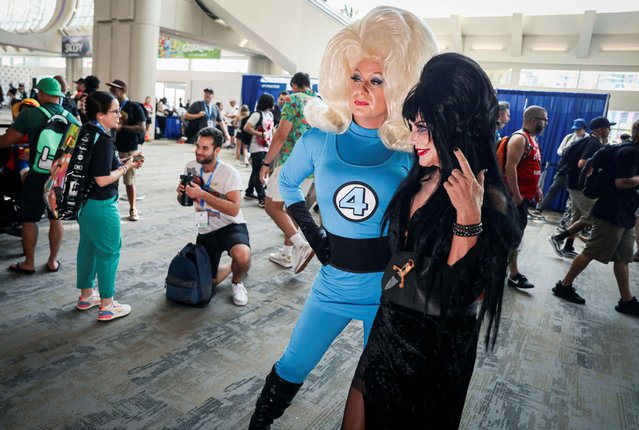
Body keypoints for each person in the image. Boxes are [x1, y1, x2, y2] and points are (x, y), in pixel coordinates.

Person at [248, 7, 438, 428]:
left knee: (374, 387)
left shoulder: (411, 150)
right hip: (332, 285)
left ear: (400, 85)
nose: (362, 89)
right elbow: (287, 186)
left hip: (388, 292)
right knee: (292, 366)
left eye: (376, 80)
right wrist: (315, 236)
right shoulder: (318, 139)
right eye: (356, 77)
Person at [341, 51, 519, 430]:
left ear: (455, 128)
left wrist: (467, 221)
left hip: (435, 354)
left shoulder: (492, 204)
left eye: (423, 127)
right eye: (413, 126)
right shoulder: (417, 178)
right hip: (388, 330)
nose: (414, 137)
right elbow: (396, 259)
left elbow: (453, 296)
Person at [552, 118, 639, 316]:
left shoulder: (628, 149)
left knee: (623, 258)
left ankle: (627, 300)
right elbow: (622, 182)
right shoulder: (629, 152)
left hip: (625, 212)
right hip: (611, 212)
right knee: (591, 251)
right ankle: (563, 286)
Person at [73, 91, 143, 320]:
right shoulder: (103, 139)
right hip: (102, 205)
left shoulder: (87, 132)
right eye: (114, 111)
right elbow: (102, 178)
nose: (119, 116)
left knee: (88, 249)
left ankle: (86, 296)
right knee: (109, 253)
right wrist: (125, 169)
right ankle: (107, 304)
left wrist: (125, 163)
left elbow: (96, 167)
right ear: (101, 114)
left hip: (85, 204)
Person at [0, 77, 80, 274]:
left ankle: (29, 262)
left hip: (37, 174)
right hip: (58, 177)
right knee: (55, 218)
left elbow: (6, 142)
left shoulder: (30, 115)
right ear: (58, 96)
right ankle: (53, 261)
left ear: (41, 94)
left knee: (29, 219)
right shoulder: (71, 118)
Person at [176, 127, 251, 306]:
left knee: (241, 255)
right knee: (209, 282)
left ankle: (237, 282)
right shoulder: (191, 167)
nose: (199, 152)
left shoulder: (229, 172)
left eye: (205, 148)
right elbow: (182, 200)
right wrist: (181, 194)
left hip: (231, 225)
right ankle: (234, 268)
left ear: (217, 150)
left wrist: (202, 194)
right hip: (206, 229)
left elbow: (234, 209)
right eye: (198, 146)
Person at [259, 72, 318, 273]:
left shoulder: (293, 101)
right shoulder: (319, 102)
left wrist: (266, 162)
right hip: (311, 168)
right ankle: (286, 253)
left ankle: (302, 245)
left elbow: (281, 134)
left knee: (272, 206)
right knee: (293, 208)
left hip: (290, 163)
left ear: (293, 85)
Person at [548, 116, 614, 259]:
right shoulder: (593, 143)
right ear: (600, 129)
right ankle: (558, 238)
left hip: (574, 183)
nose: (610, 131)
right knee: (590, 216)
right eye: (608, 128)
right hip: (580, 186)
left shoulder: (590, 141)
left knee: (577, 217)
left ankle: (568, 246)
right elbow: (582, 163)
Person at [503, 105, 546, 289]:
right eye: (544, 120)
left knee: (515, 237)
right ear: (534, 120)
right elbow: (510, 167)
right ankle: (509, 273)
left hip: (525, 197)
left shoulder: (533, 140)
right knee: (510, 237)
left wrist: (536, 188)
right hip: (515, 199)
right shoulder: (520, 139)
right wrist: (516, 193)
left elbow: (530, 168)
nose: (546, 124)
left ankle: (512, 273)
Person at [107, 79, 146, 221]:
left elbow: (141, 127)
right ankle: (112, 208)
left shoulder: (134, 107)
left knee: (129, 181)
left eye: (115, 90)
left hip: (129, 149)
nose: (112, 92)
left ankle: (133, 208)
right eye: (111, 90)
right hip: (112, 147)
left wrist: (121, 128)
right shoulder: (110, 106)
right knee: (110, 180)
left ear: (123, 90)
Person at [532, 118, 588, 216]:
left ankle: (574, 216)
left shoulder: (588, 139)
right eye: (575, 130)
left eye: (578, 130)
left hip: (577, 171)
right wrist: (568, 153)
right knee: (553, 188)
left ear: (584, 129)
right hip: (565, 169)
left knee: (574, 195)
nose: (576, 132)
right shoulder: (569, 137)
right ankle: (540, 208)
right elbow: (559, 150)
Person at [243, 93, 275, 208]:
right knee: (259, 172)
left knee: (256, 170)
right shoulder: (257, 114)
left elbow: (271, 130)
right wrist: (259, 134)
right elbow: (247, 127)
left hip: (267, 146)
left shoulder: (270, 114)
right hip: (256, 147)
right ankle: (262, 197)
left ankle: (249, 191)